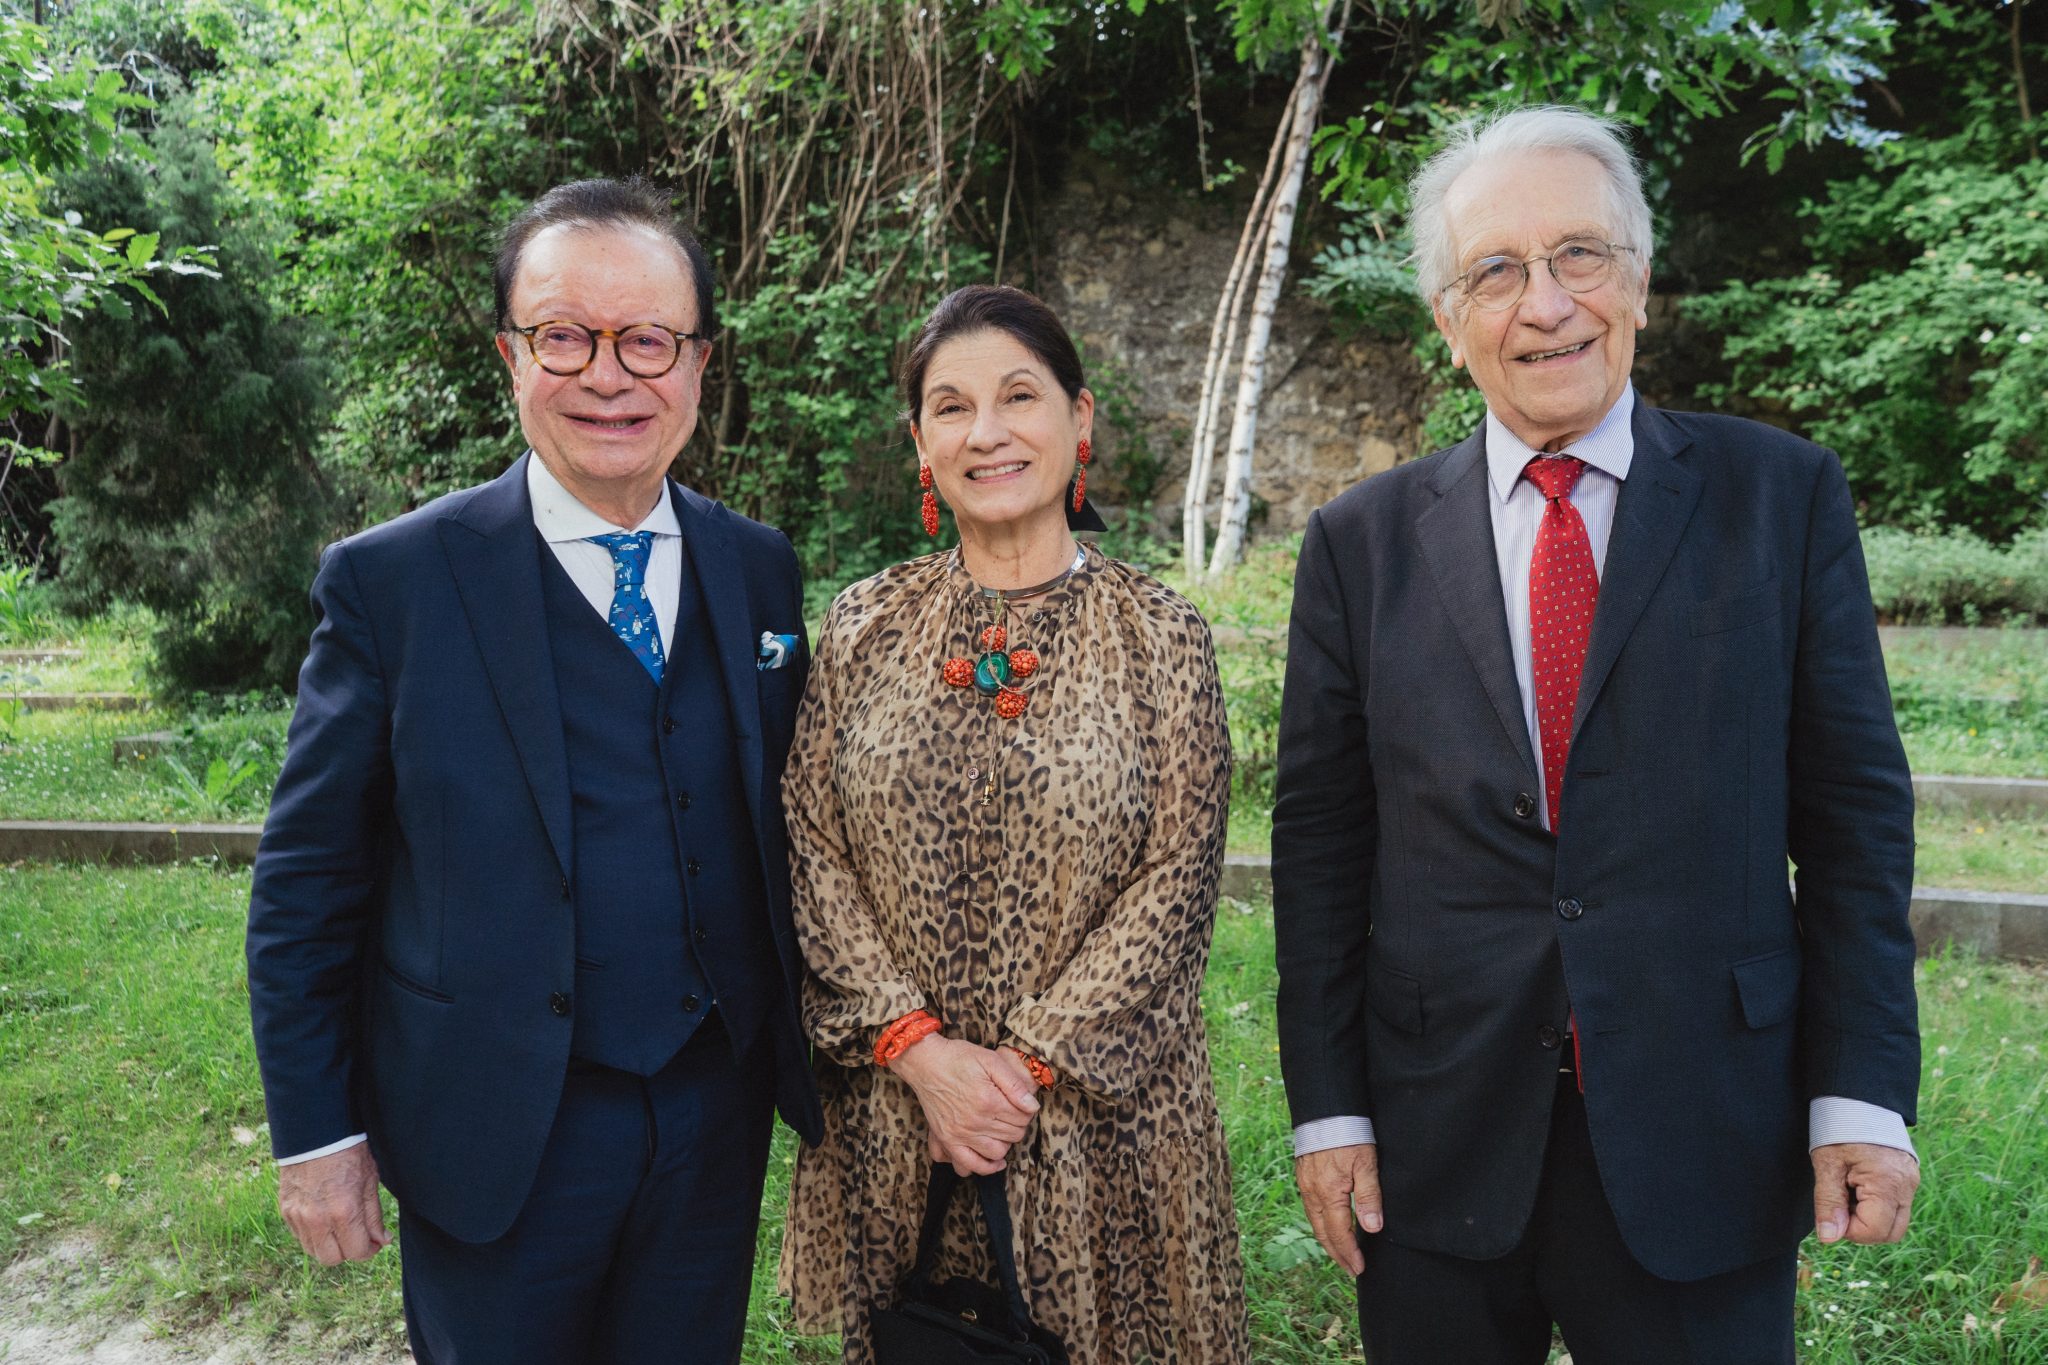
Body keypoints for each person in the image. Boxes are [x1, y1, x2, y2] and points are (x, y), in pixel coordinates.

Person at [1272, 105, 1922, 1363]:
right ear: (1446, 321)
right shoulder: (1358, 545)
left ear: (1637, 280)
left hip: (1707, 1133)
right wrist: (1327, 1113)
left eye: (1579, 254)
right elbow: (1316, 851)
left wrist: (1859, 1095)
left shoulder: (1779, 499)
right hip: (1433, 1141)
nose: (1545, 304)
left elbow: (1852, 821)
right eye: (1495, 271)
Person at [245, 177, 822, 1365]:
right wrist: (316, 1136)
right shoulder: (391, 584)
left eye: (647, 340)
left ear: (699, 366)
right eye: (564, 335)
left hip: (712, 1116)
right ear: (511, 355)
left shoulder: (758, 571)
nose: (608, 376)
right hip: (491, 1122)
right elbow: (308, 884)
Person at [775, 284, 1249, 1365]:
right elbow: (807, 846)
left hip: (1103, 1131)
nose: (985, 432)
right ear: (919, 445)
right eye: (950, 407)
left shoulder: (1160, 637)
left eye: (1017, 397)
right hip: (901, 1121)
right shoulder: (863, 623)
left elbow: (1176, 882)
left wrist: (1018, 1075)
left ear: (1078, 423)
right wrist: (925, 1058)